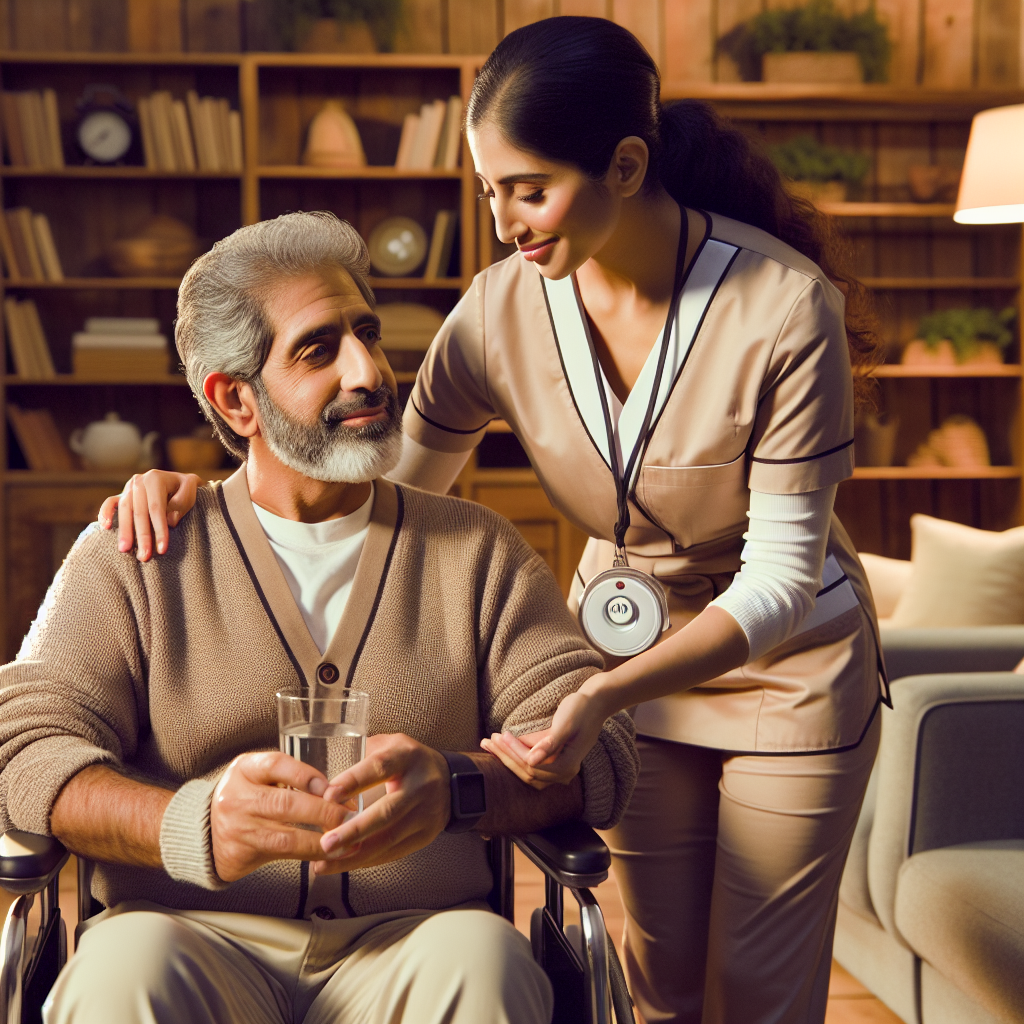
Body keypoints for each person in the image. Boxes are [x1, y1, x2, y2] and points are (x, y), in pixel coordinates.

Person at [101, 16, 890, 1024]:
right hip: (626, 644)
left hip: (785, 666)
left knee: (755, 998)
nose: (505, 220)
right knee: (664, 989)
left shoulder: (783, 306)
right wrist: (200, 488)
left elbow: (779, 581)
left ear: (624, 164)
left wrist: (598, 695)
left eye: (529, 189)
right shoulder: (498, 309)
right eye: (487, 191)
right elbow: (382, 491)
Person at [0, 211, 639, 1024]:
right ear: (236, 400)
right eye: (318, 350)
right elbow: (23, 747)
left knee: (486, 963)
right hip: (190, 934)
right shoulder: (137, 553)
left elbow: (601, 749)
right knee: (121, 971)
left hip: (415, 940)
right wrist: (192, 823)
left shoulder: (476, 550)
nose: (369, 371)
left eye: (367, 334)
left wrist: (457, 789)